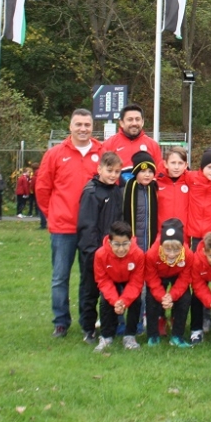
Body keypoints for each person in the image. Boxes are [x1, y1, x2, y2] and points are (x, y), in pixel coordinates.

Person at [35, 108, 106, 338]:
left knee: (90, 278)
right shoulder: (55, 154)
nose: (83, 129)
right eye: (79, 125)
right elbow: (43, 188)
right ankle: (61, 322)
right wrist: (53, 214)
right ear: (70, 126)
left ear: (92, 127)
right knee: (60, 277)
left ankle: (88, 322)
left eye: (87, 125)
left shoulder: (102, 152)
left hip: (92, 229)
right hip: (63, 228)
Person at [77, 152, 124, 344]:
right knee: (89, 291)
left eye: (117, 172)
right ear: (99, 169)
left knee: (110, 291)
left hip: (112, 252)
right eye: (109, 170)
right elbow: (87, 226)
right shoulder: (91, 192)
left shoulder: (116, 191)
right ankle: (88, 328)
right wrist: (93, 252)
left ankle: (109, 328)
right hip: (93, 252)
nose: (113, 175)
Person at [92, 220, 145, 352]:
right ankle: (106, 336)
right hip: (111, 279)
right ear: (110, 243)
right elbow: (102, 280)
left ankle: (130, 336)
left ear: (131, 241)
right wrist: (116, 301)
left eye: (125, 244)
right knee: (105, 301)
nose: (121, 249)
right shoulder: (100, 254)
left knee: (136, 299)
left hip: (129, 279)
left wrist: (124, 301)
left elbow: (136, 282)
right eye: (116, 244)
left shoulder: (138, 254)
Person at [143, 218, 194, 347]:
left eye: (176, 250)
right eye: (167, 249)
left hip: (177, 274)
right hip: (158, 275)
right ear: (161, 246)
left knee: (185, 298)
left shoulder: (188, 255)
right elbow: (151, 278)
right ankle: (153, 335)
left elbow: (184, 279)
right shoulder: (152, 254)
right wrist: (162, 296)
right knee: (151, 298)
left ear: (182, 246)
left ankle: (177, 335)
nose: (171, 254)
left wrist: (171, 296)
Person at [100, 103, 165, 176]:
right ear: (121, 123)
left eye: (137, 119)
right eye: (130, 120)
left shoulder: (153, 145)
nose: (134, 123)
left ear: (142, 122)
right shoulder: (109, 144)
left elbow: (159, 173)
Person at [122, 151, 159, 251]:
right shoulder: (128, 189)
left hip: (149, 239)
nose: (147, 175)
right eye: (143, 171)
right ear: (136, 172)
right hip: (134, 238)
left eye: (150, 171)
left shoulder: (154, 189)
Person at [156, 147, 190, 232]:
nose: (176, 167)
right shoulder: (156, 183)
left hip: (184, 233)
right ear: (166, 164)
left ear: (186, 165)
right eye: (173, 163)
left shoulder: (191, 183)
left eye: (180, 163)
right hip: (162, 233)